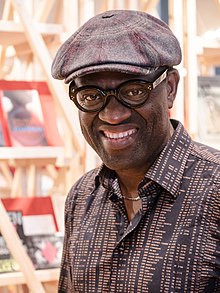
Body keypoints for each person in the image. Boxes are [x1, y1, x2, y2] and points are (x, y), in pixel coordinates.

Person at [51, 10, 220, 293]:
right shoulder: (82, 198)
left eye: (133, 91)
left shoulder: (215, 189)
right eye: (92, 96)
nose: (112, 115)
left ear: (169, 88)